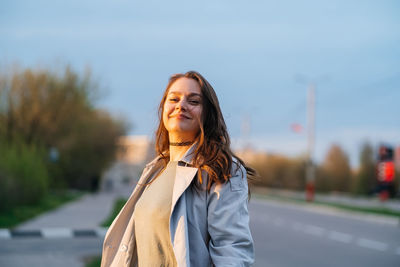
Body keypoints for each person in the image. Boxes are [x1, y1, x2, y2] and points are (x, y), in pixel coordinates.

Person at [101, 71, 255, 267]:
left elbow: (232, 248)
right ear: (164, 107)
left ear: (207, 114)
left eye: (194, 101)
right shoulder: (155, 170)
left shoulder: (222, 169)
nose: (181, 105)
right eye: (174, 99)